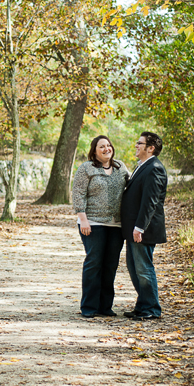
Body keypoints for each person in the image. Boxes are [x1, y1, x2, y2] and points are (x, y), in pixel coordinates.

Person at [72, 135, 130, 318]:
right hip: (93, 223)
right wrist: (84, 219)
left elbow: (131, 189)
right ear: (94, 151)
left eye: (108, 145)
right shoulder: (86, 168)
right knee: (94, 262)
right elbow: (78, 194)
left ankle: (105, 307)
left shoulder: (120, 167)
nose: (106, 149)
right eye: (101, 147)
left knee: (110, 265)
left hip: (116, 224)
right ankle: (89, 307)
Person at [120, 132, 167, 321]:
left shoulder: (154, 168)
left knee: (144, 269)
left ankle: (152, 309)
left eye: (140, 143)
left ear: (150, 148)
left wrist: (140, 227)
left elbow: (150, 202)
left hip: (143, 229)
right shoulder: (142, 166)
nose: (136, 145)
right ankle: (142, 305)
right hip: (134, 228)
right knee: (134, 268)